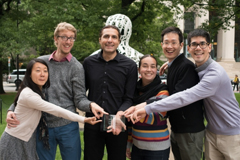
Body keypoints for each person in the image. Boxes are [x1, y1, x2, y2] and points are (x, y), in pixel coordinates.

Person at [131, 29, 240, 160]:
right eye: (194, 44)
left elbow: (183, 97)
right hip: (211, 130)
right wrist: (171, 63)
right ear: (188, 47)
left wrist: (146, 107)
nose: (198, 48)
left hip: (231, 133)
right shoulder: (198, 68)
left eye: (202, 44)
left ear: (210, 47)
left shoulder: (214, 74)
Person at [6, 22, 107, 160]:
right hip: (43, 125)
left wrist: (90, 105)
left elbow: (79, 99)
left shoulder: (76, 67)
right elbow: (25, 90)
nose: (68, 41)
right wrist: (11, 110)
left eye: (72, 38)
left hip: (68, 126)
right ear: (55, 39)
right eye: (64, 37)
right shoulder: (40, 63)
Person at [0, 59, 100, 160]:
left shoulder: (35, 90)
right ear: (29, 74)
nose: (42, 74)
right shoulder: (29, 94)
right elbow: (56, 110)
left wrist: (10, 111)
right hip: (14, 140)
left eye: (45, 70)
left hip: (26, 140)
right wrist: (83, 119)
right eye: (38, 70)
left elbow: (18, 103)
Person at [83, 25, 138, 160]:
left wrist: (120, 115)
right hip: (93, 123)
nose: (110, 40)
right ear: (100, 39)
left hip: (117, 123)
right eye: (106, 36)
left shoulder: (129, 65)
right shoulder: (88, 63)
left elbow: (129, 98)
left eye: (114, 37)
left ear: (119, 41)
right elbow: (81, 93)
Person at [124, 54, 170, 160]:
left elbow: (157, 117)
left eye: (153, 66)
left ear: (156, 69)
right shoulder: (134, 90)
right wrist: (128, 144)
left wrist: (132, 114)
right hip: (137, 147)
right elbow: (131, 125)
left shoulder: (162, 90)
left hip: (158, 149)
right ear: (139, 70)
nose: (149, 69)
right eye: (145, 66)